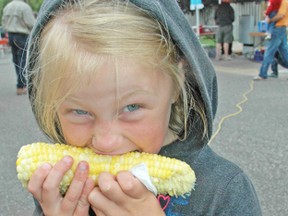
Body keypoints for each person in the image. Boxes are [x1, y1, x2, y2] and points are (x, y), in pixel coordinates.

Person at [25, 0, 262, 215]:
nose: (106, 143)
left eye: (132, 107)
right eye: (80, 111)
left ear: (176, 84)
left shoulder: (224, 192)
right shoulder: (57, 186)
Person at [1, 0, 35, 95]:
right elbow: (31, 23)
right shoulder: (24, 7)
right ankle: (21, 86)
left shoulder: (8, 6)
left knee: (16, 60)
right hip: (22, 35)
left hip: (11, 35)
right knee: (22, 61)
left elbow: (4, 22)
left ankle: (20, 84)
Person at [254, 0, 288, 80]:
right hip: (282, 28)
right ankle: (265, 73)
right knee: (284, 52)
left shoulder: (284, 1)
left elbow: (281, 15)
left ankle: (262, 74)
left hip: (277, 28)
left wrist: (270, 20)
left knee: (269, 52)